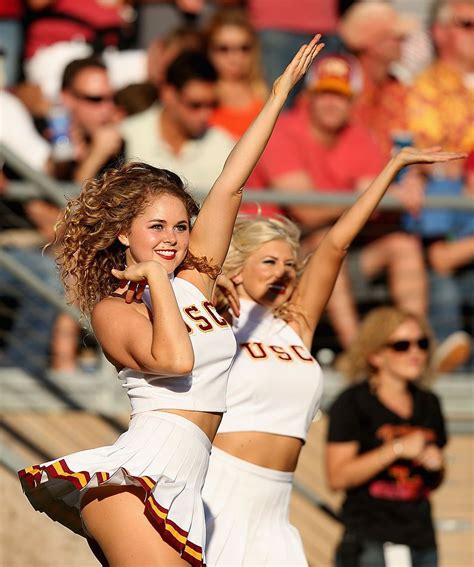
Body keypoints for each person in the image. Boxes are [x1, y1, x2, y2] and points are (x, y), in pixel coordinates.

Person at [17, 36, 325, 566]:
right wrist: (159, 280)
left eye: (181, 226)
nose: (173, 237)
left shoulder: (192, 283)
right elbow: (176, 360)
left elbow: (229, 187)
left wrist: (277, 96)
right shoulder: (113, 309)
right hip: (136, 482)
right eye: (156, 226)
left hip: (190, 478)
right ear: (122, 234)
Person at [202, 146, 464, 565]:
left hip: (276, 503)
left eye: (290, 265)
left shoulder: (295, 324)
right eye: (268, 261)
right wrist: (209, 288)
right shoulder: (213, 317)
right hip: (218, 490)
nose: (283, 272)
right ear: (237, 269)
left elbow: (336, 245)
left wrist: (392, 167)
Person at [252, 54, 427, 351]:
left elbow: (377, 199)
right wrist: (377, 195)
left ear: (354, 101)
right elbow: (307, 211)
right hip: (273, 258)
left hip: (336, 253)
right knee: (327, 243)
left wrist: (411, 184)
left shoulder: (359, 136)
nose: (332, 103)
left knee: (403, 245)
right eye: (324, 94)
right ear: (309, 96)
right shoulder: (283, 130)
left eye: (341, 96)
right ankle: (358, 357)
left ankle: (418, 345)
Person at [326, 306, 448, 567]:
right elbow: (337, 477)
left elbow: (432, 481)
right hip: (371, 539)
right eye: (402, 345)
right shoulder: (353, 403)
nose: (415, 352)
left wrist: (437, 465)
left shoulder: (428, 403)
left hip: (422, 539)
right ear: (375, 355)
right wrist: (396, 449)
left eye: (422, 343)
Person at [121, 49, 236, 195]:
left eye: (211, 105)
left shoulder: (224, 145)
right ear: (168, 94)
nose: (205, 114)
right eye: (195, 105)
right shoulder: (127, 136)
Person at [205, 8, 268, 139]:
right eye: (224, 49)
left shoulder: (267, 93)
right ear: (208, 50)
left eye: (244, 48)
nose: (235, 58)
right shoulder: (202, 94)